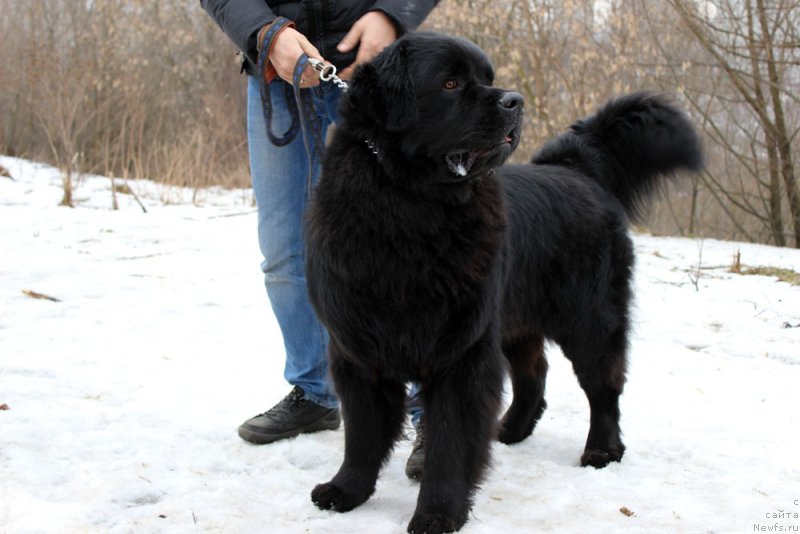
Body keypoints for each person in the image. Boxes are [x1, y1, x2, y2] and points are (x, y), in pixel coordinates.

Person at [199, 0, 438, 477]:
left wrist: (392, 14)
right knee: (286, 252)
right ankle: (315, 392)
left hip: (386, 70)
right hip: (278, 70)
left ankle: (431, 406)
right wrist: (264, 32)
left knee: (408, 251)